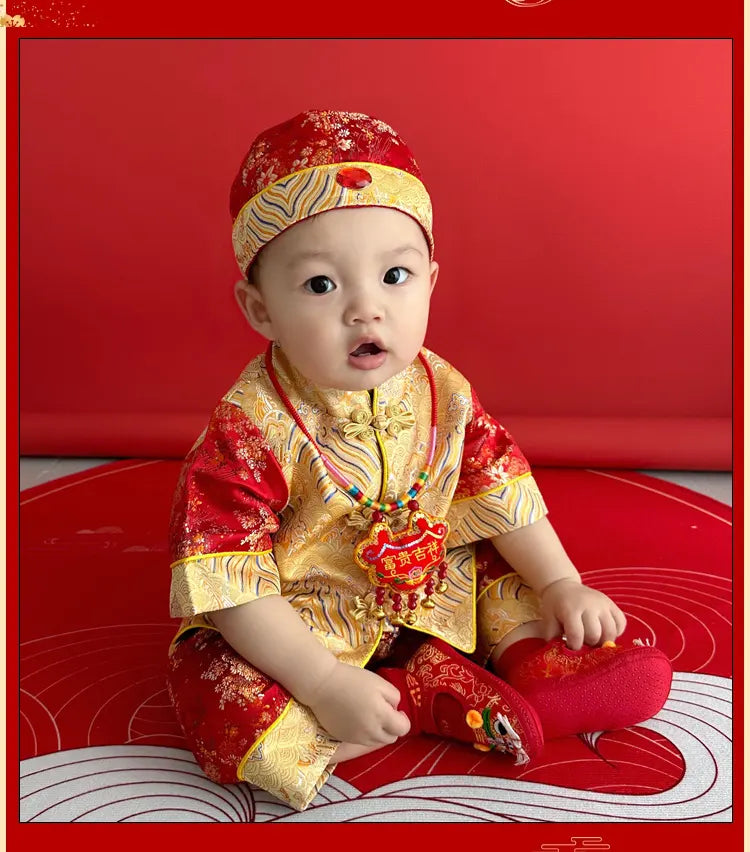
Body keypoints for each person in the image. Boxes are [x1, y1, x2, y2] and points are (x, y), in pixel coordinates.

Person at [166, 109, 672, 810]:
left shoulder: (445, 391)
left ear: (431, 280)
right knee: (217, 684)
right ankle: (414, 699)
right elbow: (232, 584)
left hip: (432, 579)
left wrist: (561, 584)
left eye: (396, 275)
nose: (366, 310)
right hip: (305, 615)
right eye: (321, 286)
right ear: (260, 309)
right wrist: (320, 680)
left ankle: (533, 659)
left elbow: (499, 484)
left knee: (497, 555)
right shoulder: (246, 430)